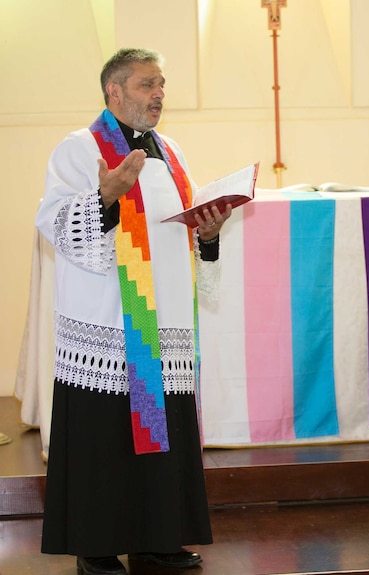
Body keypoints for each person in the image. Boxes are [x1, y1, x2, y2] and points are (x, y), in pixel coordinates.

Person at [36, 48, 232, 575]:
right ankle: (96, 546)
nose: (159, 94)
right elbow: (55, 223)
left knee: (159, 435)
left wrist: (207, 234)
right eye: (147, 85)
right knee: (106, 442)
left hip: (162, 322)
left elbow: (178, 232)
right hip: (108, 324)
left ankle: (156, 538)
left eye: (162, 84)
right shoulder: (78, 149)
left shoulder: (171, 150)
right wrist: (103, 195)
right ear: (114, 92)